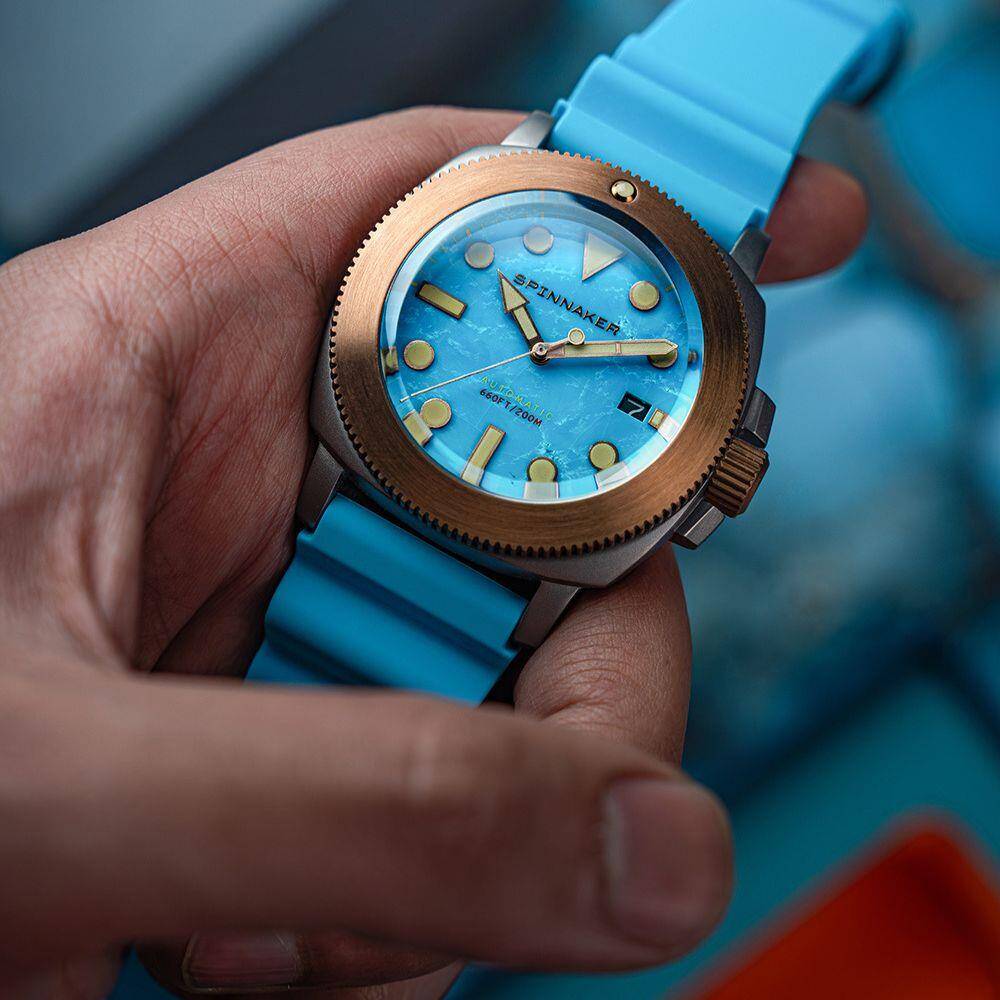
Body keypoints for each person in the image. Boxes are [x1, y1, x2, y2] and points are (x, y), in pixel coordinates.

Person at [0, 108, 868, 999]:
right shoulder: (522, 164)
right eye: (533, 336)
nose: (542, 351)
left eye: (547, 349)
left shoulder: (525, 181)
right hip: (357, 487)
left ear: (719, 472)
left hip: (456, 537)